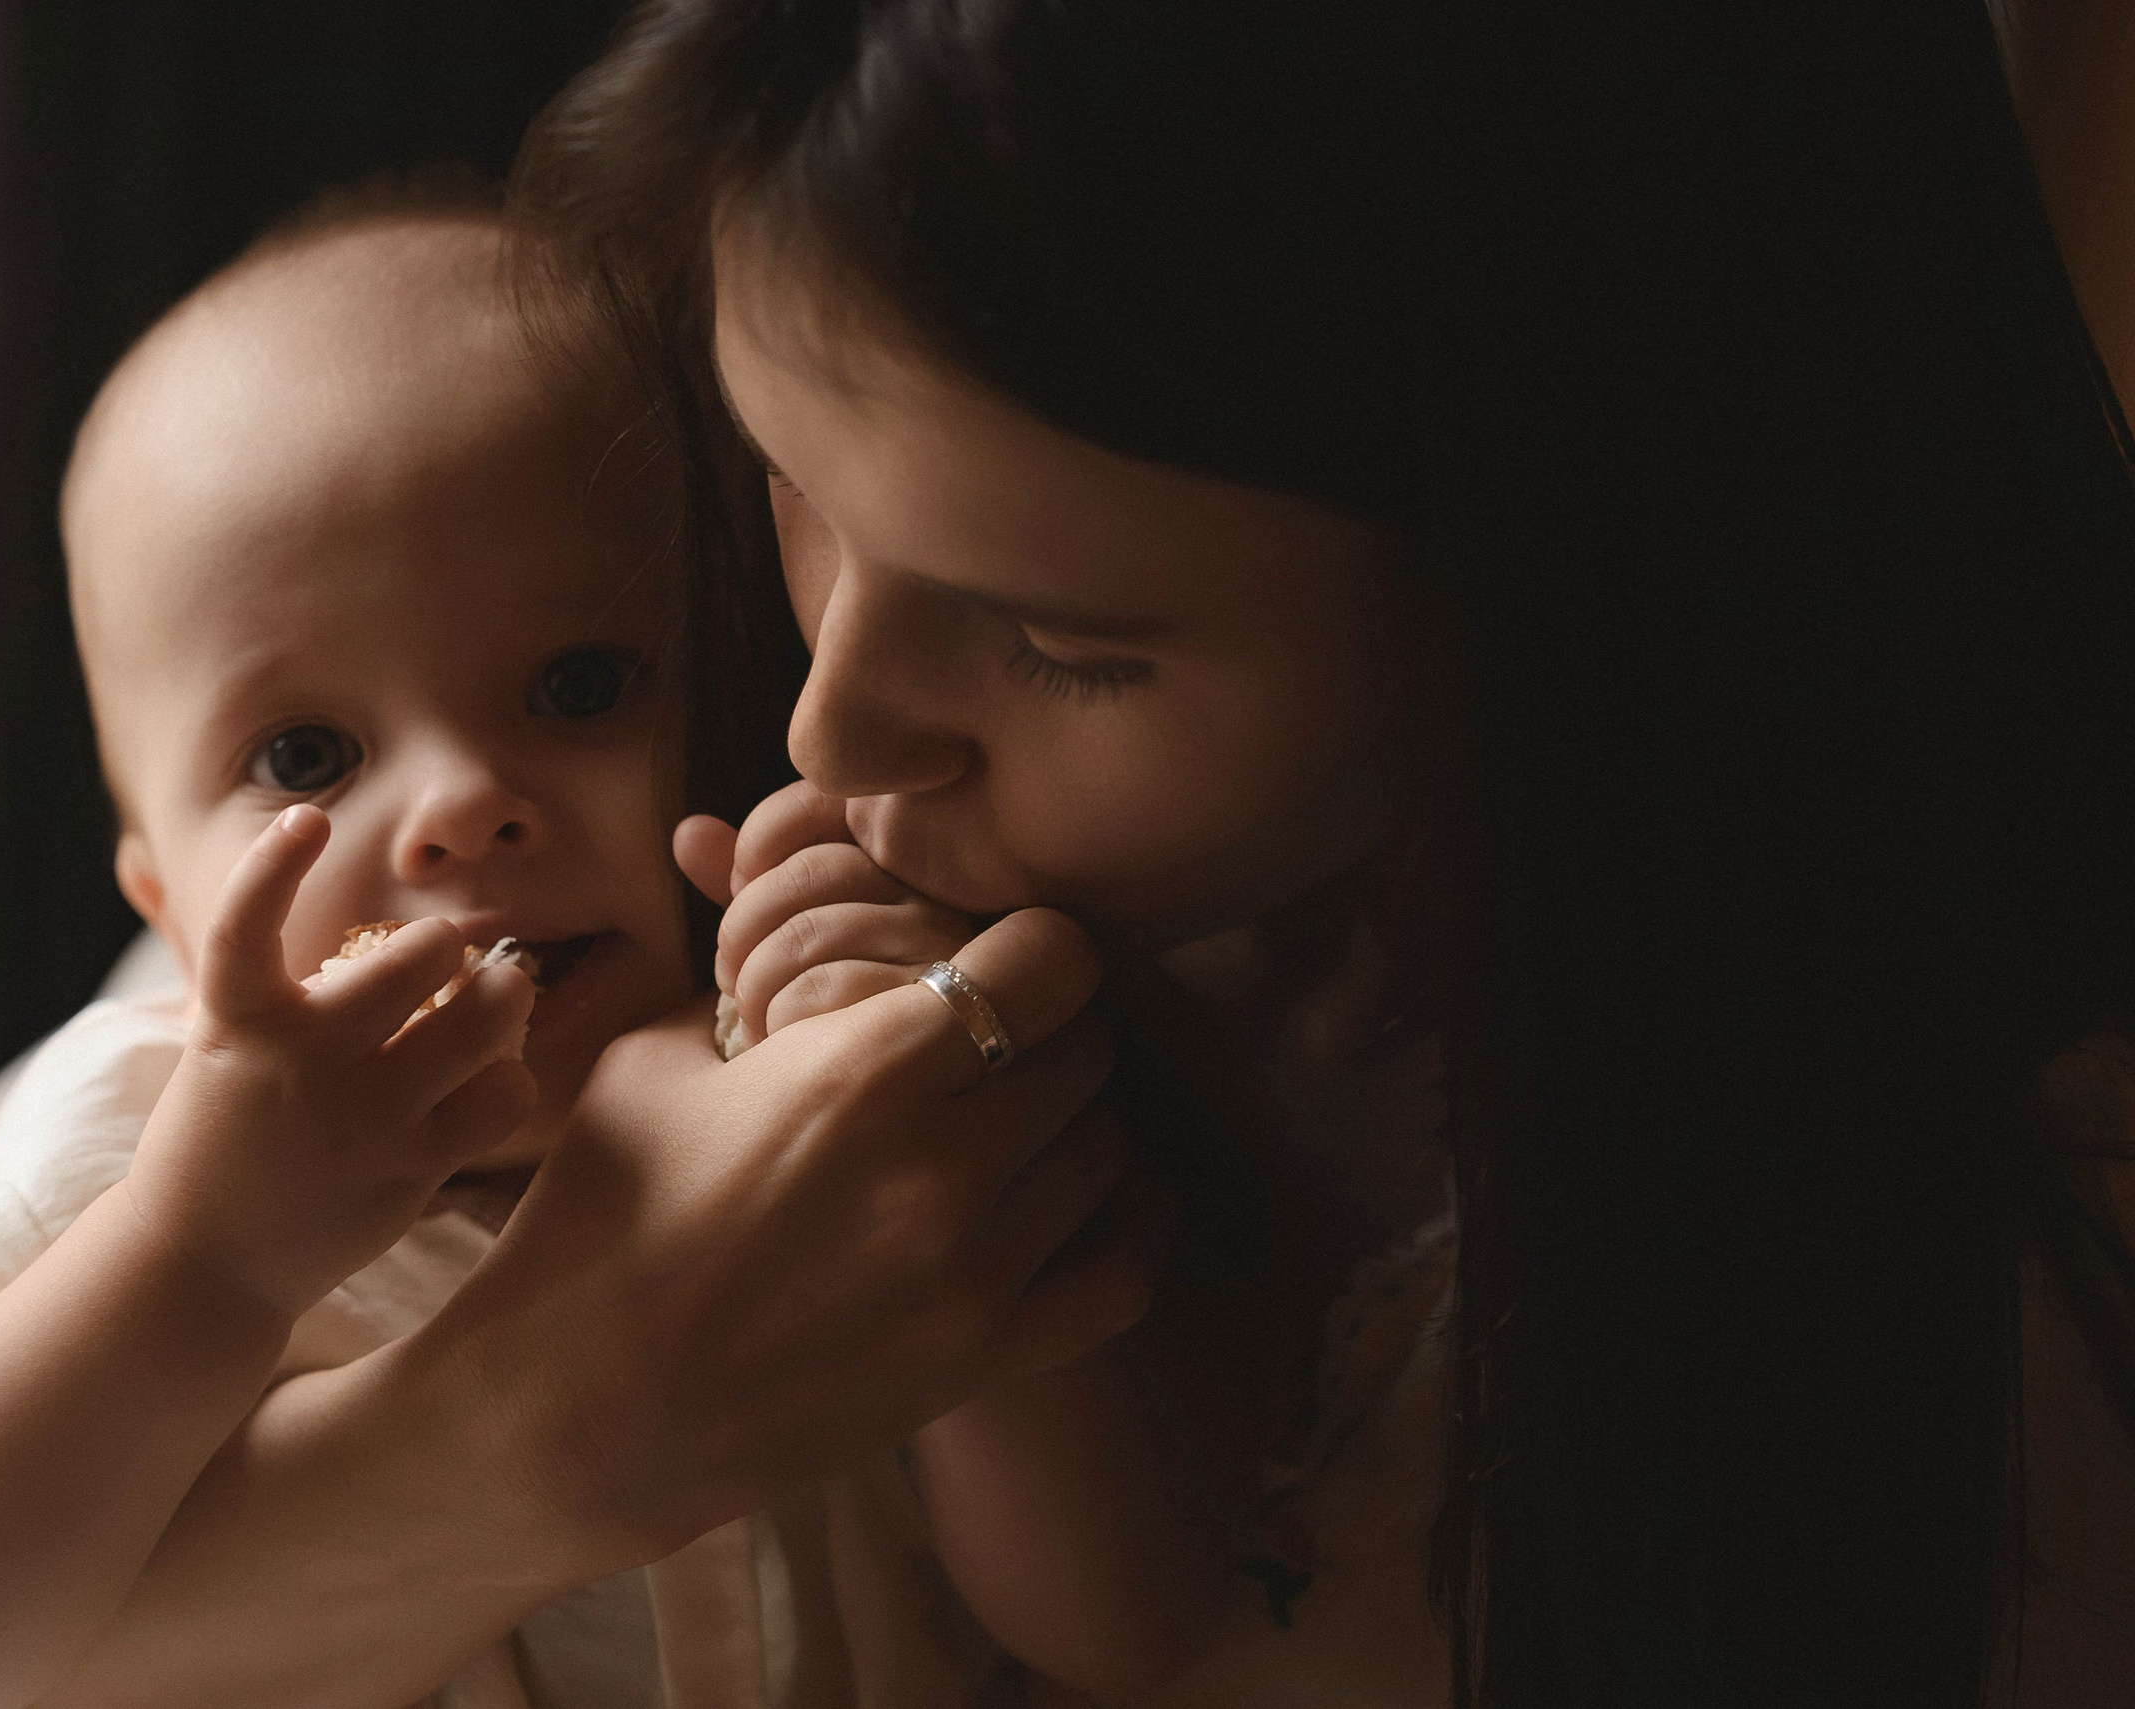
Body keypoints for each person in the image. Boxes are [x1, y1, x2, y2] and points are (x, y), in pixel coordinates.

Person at [508, 1, 2135, 1705]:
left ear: (1585, 588)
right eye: (792, 483)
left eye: (1061, 644)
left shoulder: (2016, 1305)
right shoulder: (619, 773)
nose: (830, 733)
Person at [0, 196, 1214, 1709]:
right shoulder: (116, 1157)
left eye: (578, 684)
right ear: (165, 905)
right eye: (305, 751)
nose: (458, 807)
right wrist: (199, 1256)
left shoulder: (843, 1078)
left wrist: (938, 1124)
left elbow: (1126, 1625)